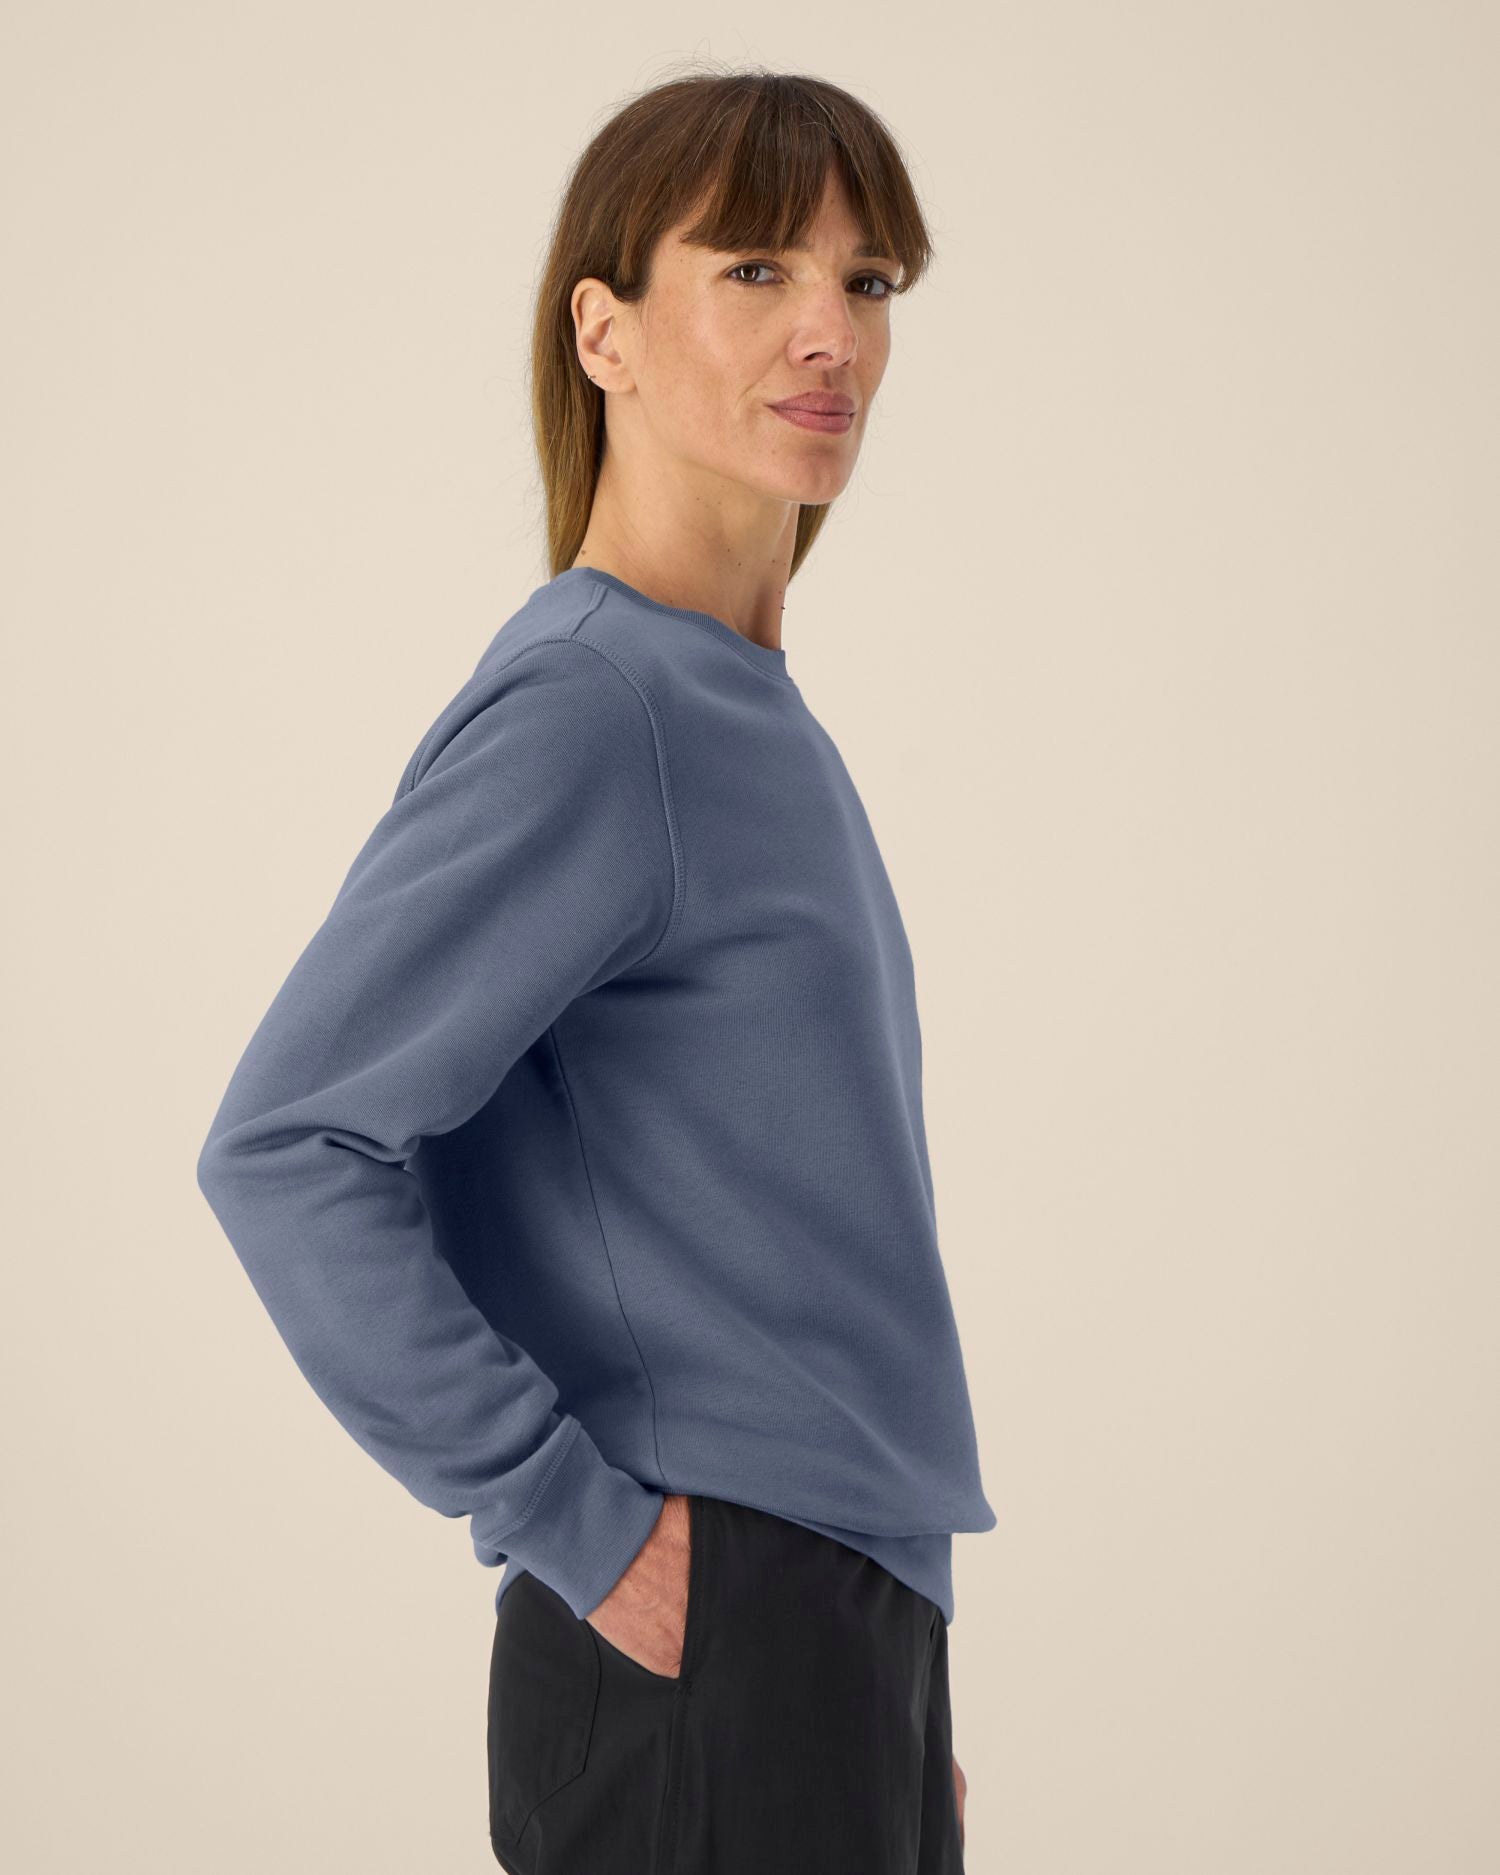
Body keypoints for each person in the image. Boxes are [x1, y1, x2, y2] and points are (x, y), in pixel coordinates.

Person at [197, 67, 993, 1874]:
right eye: (757, 269)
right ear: (603, 332)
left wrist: (887, 1684)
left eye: (868, 281)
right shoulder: (599, 707)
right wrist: (575, 1521)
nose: (831, 333)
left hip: (828, 1627)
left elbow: (793, 1245)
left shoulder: (735, 710)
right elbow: (286, 1148)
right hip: (709, 1618)